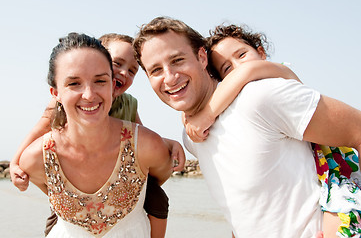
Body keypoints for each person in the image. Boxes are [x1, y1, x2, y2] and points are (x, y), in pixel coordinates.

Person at [133, 16, 361, 237]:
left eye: (177, 60)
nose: (170, 77)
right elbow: (246, 211)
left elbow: (357, 131)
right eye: (156, 70)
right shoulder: (192, 137)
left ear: (202, 58)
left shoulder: (260, 97)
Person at [10, 33, 185, 238]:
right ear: (56, 93)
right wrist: (15, 162)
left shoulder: (142, 135)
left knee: (157, 199)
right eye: (74, 83)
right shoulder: (37, 158)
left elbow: (140, 135)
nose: (89, 95)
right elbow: (39, 129)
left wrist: (166, 143)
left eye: (100, 80)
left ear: (110, 83)